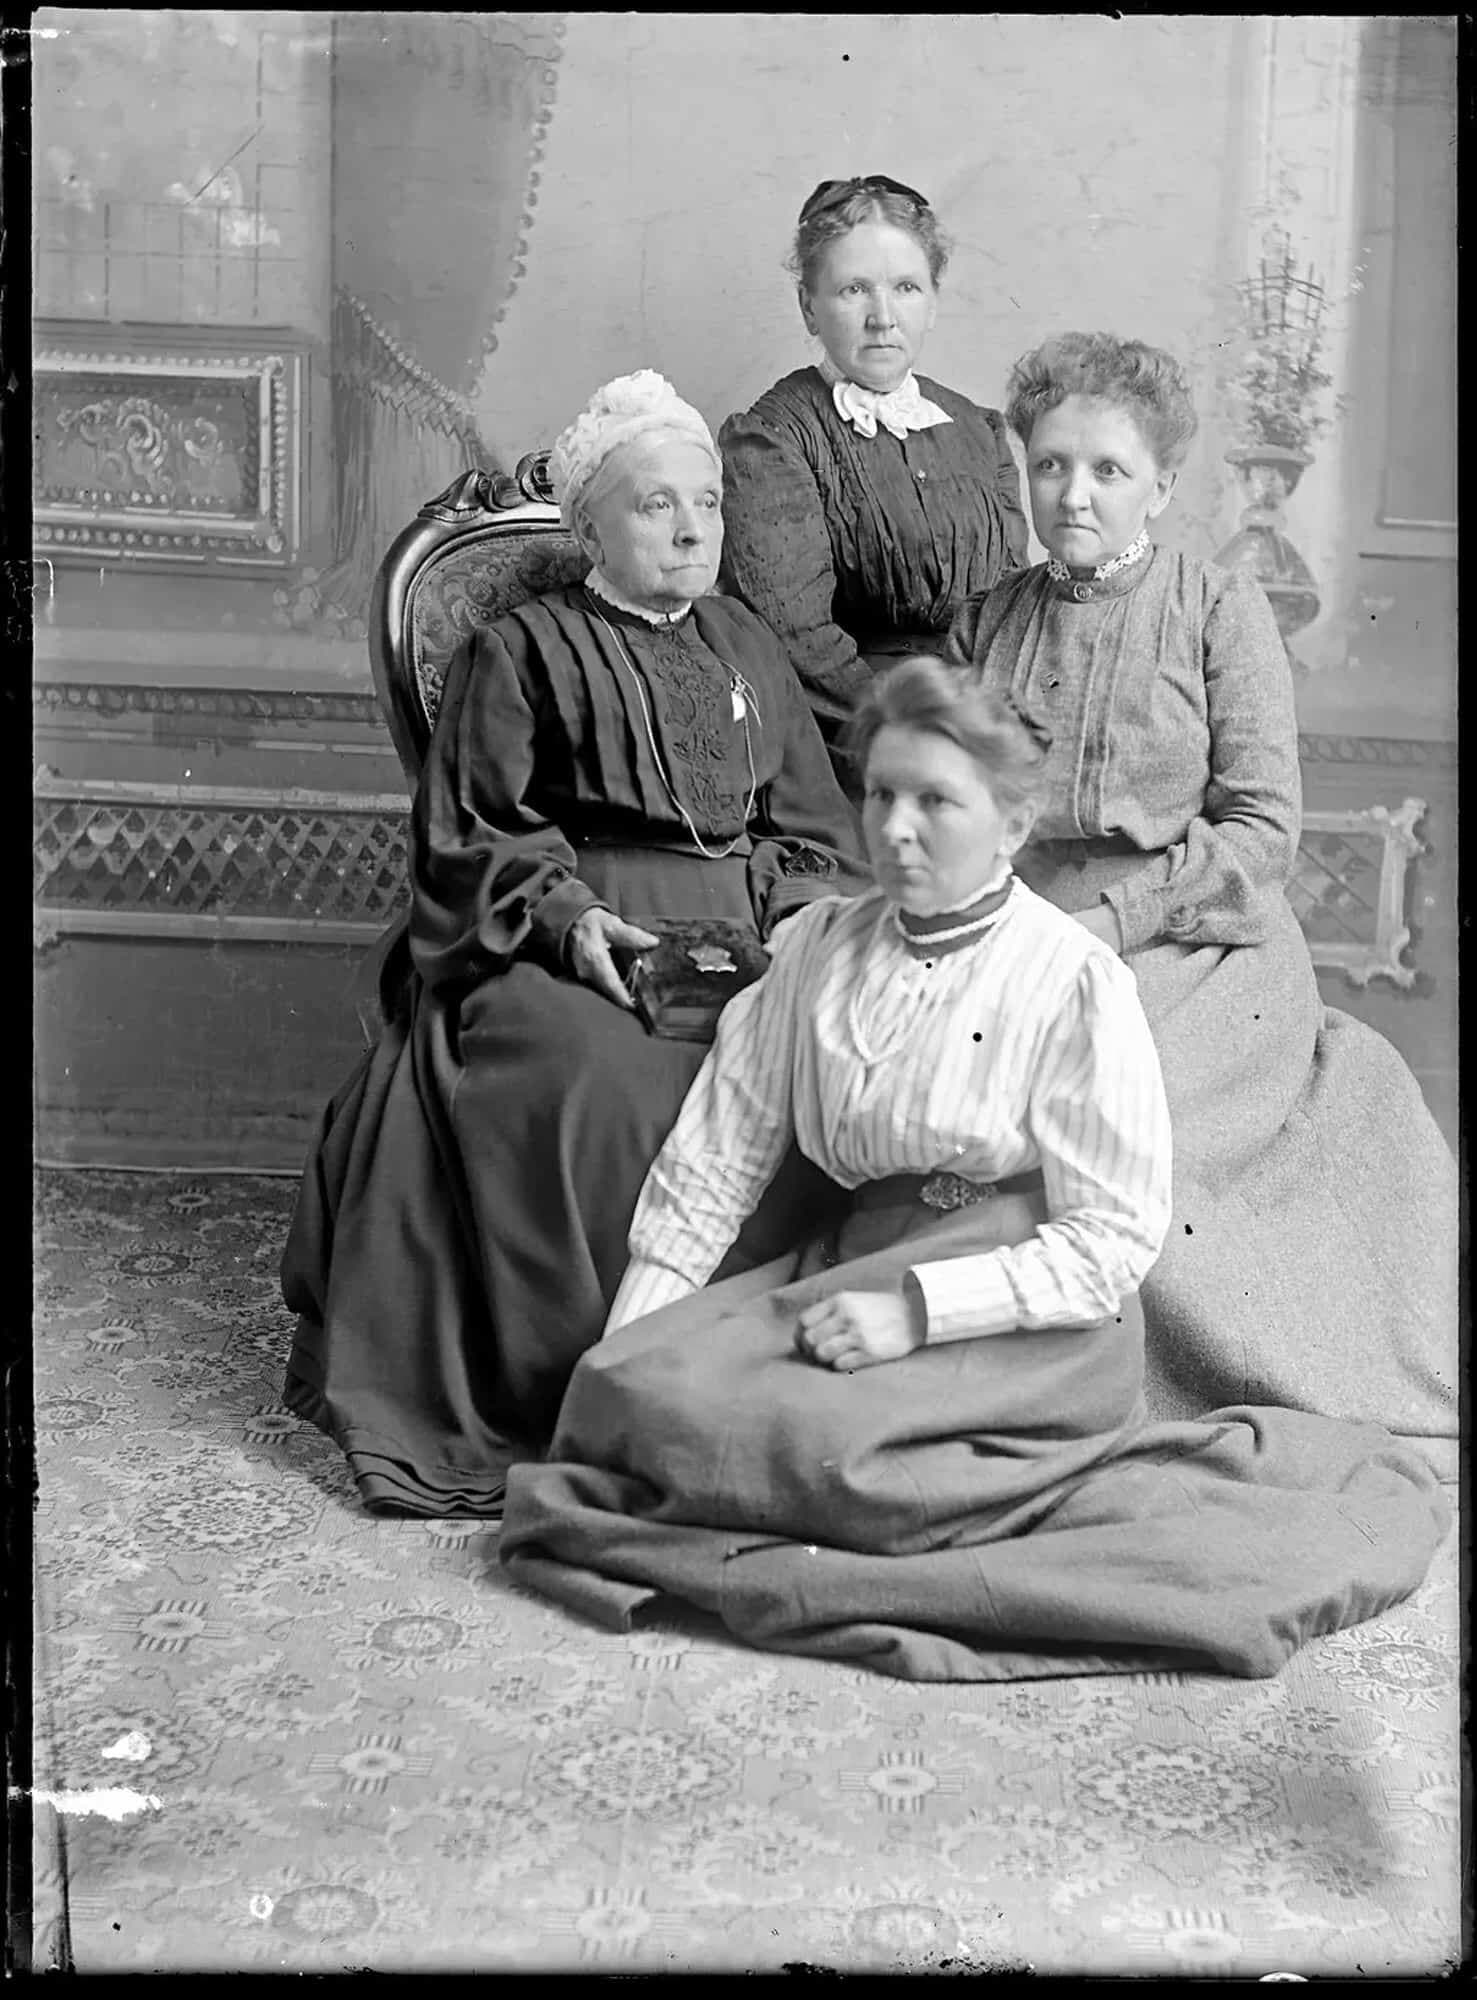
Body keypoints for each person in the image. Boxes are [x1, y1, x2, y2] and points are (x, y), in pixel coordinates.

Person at [497, 661, 1449, 1682]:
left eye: (936, 801)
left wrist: (915, 1310)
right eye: (881, 795)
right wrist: (633, 1338)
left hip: (1017, 1309)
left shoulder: (1072, 978)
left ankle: (902, 1496)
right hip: (852, 1263)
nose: (896, 829)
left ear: (1009, 822)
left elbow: (1111, 1241)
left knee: (814, 1450)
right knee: (632, 1392)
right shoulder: (819, 944)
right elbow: (715, 1165)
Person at [280, 370, 870, 1517]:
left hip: (747, 928)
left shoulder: (750, 642)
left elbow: (813, 824)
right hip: (564, 933)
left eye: (705, 502)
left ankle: (746, 1405)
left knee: (816, 1064)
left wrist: (791, 919)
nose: (693, 526)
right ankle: (597, 1395)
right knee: (606, 1083)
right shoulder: (521, 647)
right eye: (656, 505)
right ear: (591, 522)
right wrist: (571, 919)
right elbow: (468, 832)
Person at [941, 331, 1457, 1479]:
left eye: (1109, 471)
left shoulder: (1219, 607)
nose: (1073, 495)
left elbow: (1262, 826)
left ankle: (1145, 1398)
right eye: (1051, 466)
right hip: (1020, 933)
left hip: (1193, 940)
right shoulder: (985, 621)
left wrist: (1111, 928)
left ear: (1162, 487)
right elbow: (951, 814)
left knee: (1123, 1119)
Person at [717, 174, 1030, 790]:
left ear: (933, 300)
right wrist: (917, 736)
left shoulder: (978, 428)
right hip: (848, 738)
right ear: (809, 304)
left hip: (981, 726)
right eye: (854, 289)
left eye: (906, 288)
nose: (882, 318)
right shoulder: (774, 437)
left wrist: (990, 731)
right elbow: (795, 636)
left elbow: (1012, 612)